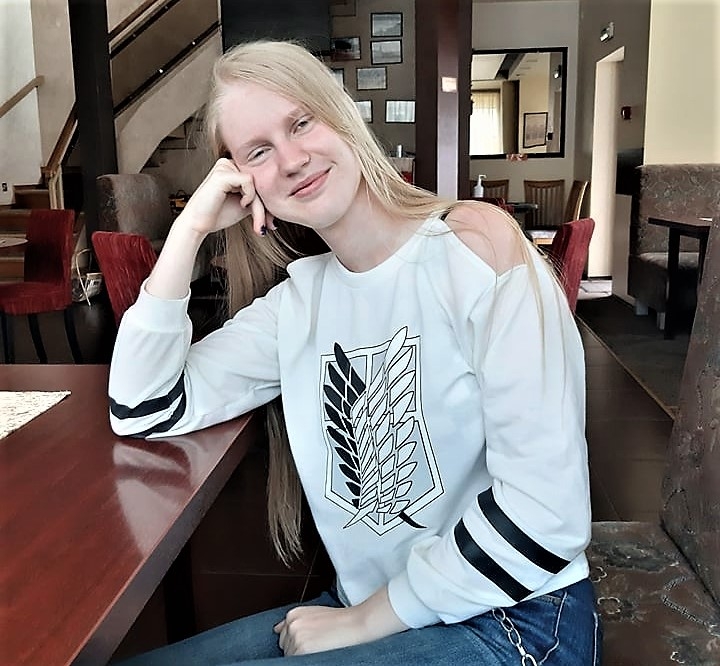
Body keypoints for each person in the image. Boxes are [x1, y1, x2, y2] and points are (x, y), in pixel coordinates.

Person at [110, 40, 600, 665]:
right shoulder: (297, 304)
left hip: (515, 621)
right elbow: (144, 406)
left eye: (301, 123)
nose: (291, 160)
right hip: (373, 605)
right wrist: (189, 230)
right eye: (258, 151)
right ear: (243, 181)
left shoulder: (474, 247)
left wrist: (363, 621)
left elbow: (545, 514)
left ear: (342, 113)